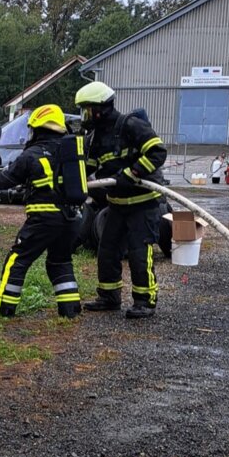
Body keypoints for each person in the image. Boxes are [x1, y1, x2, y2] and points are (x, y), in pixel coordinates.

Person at [0, 104, 81, 318]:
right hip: (72, 218)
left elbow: (4, 180)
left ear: (39, 129)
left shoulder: (31, 154)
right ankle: (70, 311)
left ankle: (4, 307)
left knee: (18, 259)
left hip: (44, 218)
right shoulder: (70, 153)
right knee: (60, 261)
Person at [76, 81, 167, 319]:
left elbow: (158, 152)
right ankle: (109, 297)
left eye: (86, 109)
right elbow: (90, 167)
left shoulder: (131, 125)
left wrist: (134, 172)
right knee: (107, 249)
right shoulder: (95, 137)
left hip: (143, 201)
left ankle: (145, 301)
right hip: (116, 203)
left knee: (139, 251)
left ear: (100, 108)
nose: (84, 115)